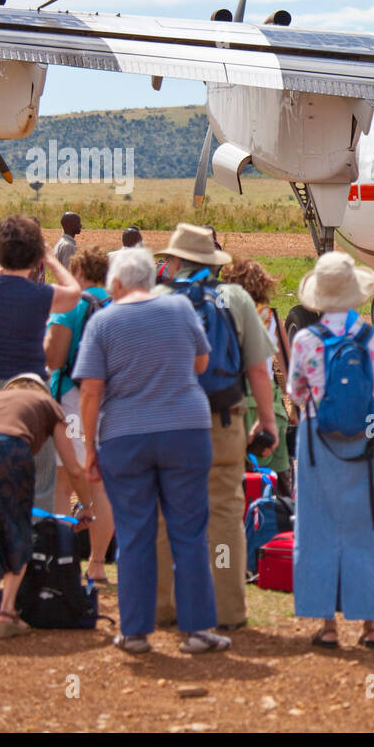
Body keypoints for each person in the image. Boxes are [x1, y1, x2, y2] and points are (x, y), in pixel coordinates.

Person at [73, 246, 229, 654]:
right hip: (186, 430)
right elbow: (200, 363)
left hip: (125, 436)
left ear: (118, 283)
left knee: (134, 533)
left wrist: (90, 447)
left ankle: (136, 632)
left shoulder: (103, 321)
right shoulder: (179, 308)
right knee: (189, 531)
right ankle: (197, 630)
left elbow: (90, 390)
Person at [154, 224, 278, 631]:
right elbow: (259, 369)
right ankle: (227, 609)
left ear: (174, 262)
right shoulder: (237, 298)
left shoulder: (156, 299)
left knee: (164, 514)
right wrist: (267, 420)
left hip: (165, 425)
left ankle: (164, 605)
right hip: (223, 422)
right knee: (223, 514)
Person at [287, 251, 374, 649]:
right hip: (367, 435)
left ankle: (328, 625)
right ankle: (370, 626)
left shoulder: (306, 339)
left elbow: (297, 392)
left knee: (318, 527)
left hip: (318, 435)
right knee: (367, 526)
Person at [0, 374, 94, 638]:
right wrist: (86, 505)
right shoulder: (49, 405)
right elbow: (74, 469)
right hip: (10, 448)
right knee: (18, 530)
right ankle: (6, 612)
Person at [0, 216, 81, 524]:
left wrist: (3, 261)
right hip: (28, 389)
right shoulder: (41, 295)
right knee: (39, 476)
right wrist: (49, 259)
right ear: (34, 256)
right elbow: (73, 292)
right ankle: (32, 548)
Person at [44, 246, 116, 584]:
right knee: (101, 483)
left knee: (62, 482)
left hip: (72, 399)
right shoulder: (120, 305)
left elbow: (55, 359)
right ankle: (98, 564)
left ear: (80, 271)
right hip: (112, 403)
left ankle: (62, 560)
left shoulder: (72, 304)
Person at [223, 256, 293, 490]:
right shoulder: (270, 317)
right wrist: (293, 408)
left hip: (233, 402)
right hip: (269, 404)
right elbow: (288, 368)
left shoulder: (223, 316)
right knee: (279, 478)